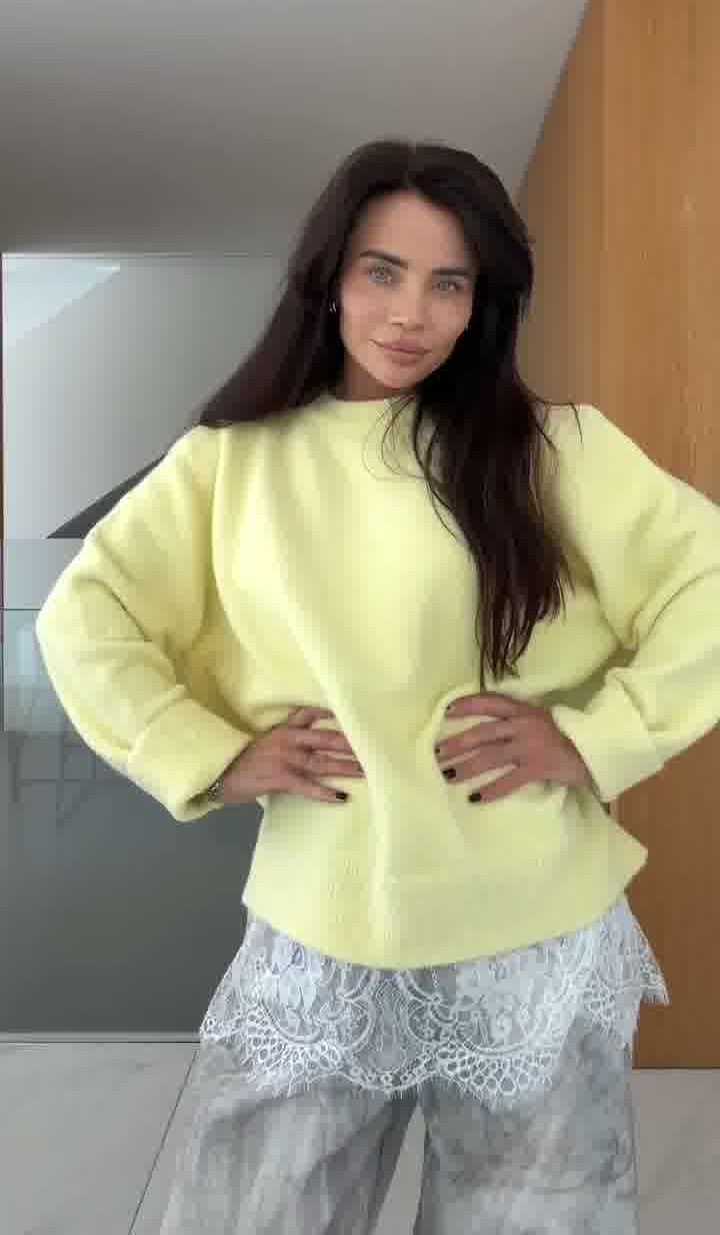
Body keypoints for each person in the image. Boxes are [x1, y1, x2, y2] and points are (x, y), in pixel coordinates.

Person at [34, 139, 720, 1233]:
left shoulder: (557, 451)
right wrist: (209, 753)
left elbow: (706, 580)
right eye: (382, 271)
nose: (412, 313)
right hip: (322, 921)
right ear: (330, 278)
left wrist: (598, 737)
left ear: (483, 304)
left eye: (451, 283)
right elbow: (88, 615)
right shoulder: (231, 462)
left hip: (533, 924)